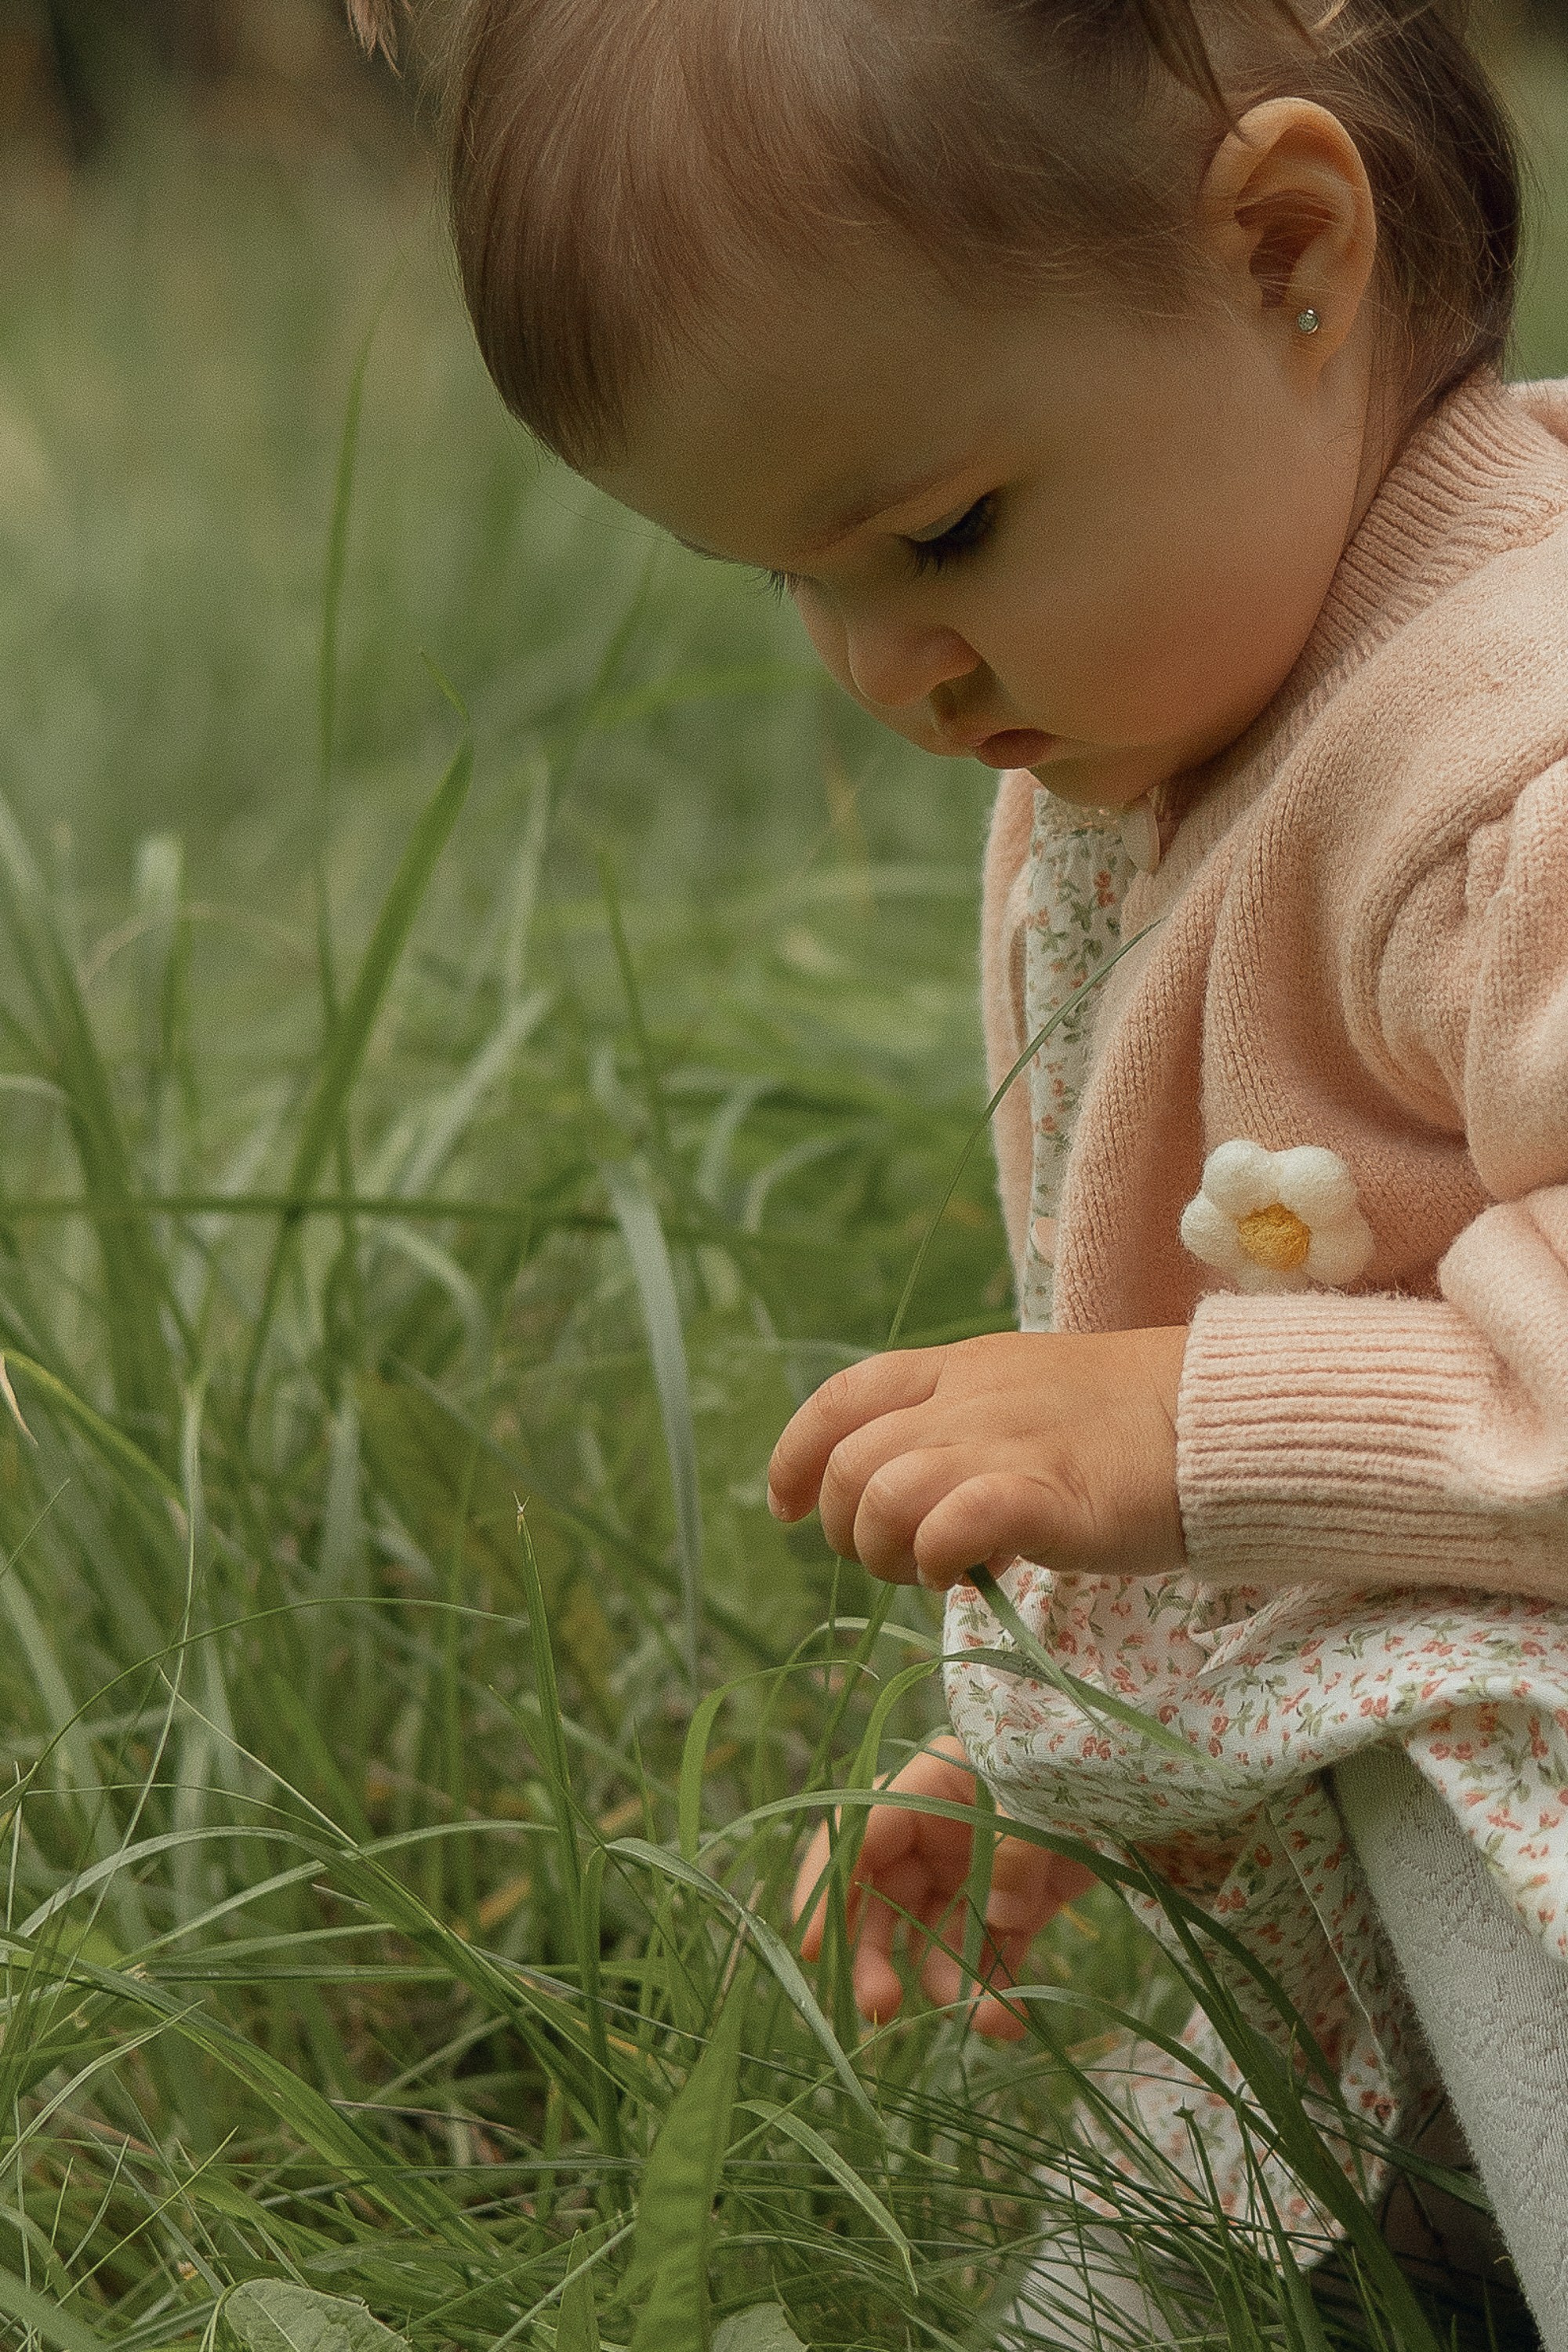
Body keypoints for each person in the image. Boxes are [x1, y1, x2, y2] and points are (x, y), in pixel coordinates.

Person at [398, 0, 1568, 2333]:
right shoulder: (1171, 715)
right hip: (1431, 1822)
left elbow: (1268, 1423)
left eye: (940, 531)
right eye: (786, 577)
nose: (877, 667)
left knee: (1458, 1787)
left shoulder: (1512, 774)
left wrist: (1182, 1435)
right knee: (1123, 2274)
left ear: (1288, 253)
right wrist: (1092, 1724)